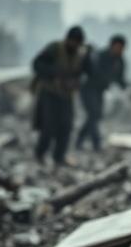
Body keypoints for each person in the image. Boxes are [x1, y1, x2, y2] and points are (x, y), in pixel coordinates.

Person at [32, 26, 89, 166]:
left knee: (66, 126)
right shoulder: (55, 48)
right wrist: (54, 73)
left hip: (66, 95)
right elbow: (37, 64)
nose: (75, 45)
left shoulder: (81, 54)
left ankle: (59, 157)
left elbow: (85, 72)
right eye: (73, 42)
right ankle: (40, 155)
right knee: (48, 126)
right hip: (49, 93)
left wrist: (75, 81)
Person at [76, 34, 127, 152]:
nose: (120, 50)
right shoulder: (100, 56)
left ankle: (80, 140)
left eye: (122, 48)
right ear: (112, 45)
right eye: (118, 47)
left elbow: (120, 78)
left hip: (99, 91)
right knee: (94, 114)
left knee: (95, 116)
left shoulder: (120, 61)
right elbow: (94, 71)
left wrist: (126, 87)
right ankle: (96, 143)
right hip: (88, 88)